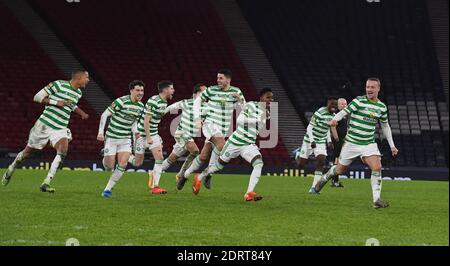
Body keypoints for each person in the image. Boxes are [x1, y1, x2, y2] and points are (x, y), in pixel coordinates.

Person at [315, 78, 399, 209]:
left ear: (378, 89)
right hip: (351, 143)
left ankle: (376, 200)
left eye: (372, 87)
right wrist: (334, 120)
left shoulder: (381, 107)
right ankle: (325, 177)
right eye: (367, 87)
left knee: (377, 167)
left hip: (368, 144)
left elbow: (385, 126)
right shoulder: (358, 101)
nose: (369, 89)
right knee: (340, 170)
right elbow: (344, 112)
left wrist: (392, 145)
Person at [1, 70, 90, 192]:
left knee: (63, 150)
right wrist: (55, 102)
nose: (88, 80)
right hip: (44, 125)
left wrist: (82, 113)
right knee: (27, 153)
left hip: (60, 128)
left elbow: (71, 104)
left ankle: (46, 182)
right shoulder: (58, 84)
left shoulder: (78, 93)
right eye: (86, 77)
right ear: (78, 78)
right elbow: (37, 97)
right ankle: (12, 167)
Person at [192, 88, 273, 201]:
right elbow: (240, 120)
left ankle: (249, 193)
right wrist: (254, 119)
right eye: (268, 97)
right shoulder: (251, 106)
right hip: (235, 142)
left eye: (272, 98)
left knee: (258, 163)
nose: (270, 100)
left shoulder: (268, 113)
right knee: (218, 166)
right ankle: (199, 177)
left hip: (248, 144)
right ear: (261, 98)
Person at [176, 69, 246, 190]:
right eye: (217, 78)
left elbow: (245, 108)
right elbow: (198, 101)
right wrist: (198, 118)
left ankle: (185, 175)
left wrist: (241, 100)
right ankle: (207, 174)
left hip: (223, 129)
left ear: (228, 80)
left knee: (203, 156)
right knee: (222, 145)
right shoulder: (212, 90)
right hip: (210, 124)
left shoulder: (236, 91)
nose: (218, 80)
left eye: (221, 78)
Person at [97, 80, 145, 198]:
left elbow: (133, 121)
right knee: (109, 166)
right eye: (137, 90)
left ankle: (107, 190)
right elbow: (104, 114)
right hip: (112, 138)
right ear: (131, 91)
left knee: (122, 164)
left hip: (125, 139)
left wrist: (135, 131)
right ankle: (105, 155)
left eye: (142, 90)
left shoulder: (140, 106)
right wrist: (100, 133)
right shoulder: (121, 101)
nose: (140, 93)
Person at [128, 80, 175, 194]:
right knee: (137, 163)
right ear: (165, 90)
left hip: (153, 134)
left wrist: (156, 137)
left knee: (159, 158)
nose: (173, 91)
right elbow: (146, 120)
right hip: (141, 135)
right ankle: (124, 155)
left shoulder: (164, 102)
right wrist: (148, 137)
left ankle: (155, 187)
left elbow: (156, 120)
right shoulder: (154, 101)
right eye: (171, 88)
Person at [159, 84, 207, 189]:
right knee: (195, 151)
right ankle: (181, 175)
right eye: (204, 92)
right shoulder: (187, 103)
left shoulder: (206, 107)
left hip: (189, 136)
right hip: (181, 133)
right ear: (196, 94)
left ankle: (155, 172)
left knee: (172, 158)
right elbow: (172, 107)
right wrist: (160, 114)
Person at [295, 98, 337, 194]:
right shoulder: (320, 112)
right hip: (309, 140)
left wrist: (329, 141)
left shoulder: (333, 116)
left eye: (335, 105)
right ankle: (298, 155)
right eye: (332, 104)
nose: (334, 106)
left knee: (321, 161)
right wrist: (312, 141)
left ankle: (314, 188)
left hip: (321, 142)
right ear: (328, 104)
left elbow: (327, 128)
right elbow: (309, 127)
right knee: (301, 164)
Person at [329, 98, 348, 188]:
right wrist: (336, 139)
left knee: (338, 160)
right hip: (338, 140)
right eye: (342, 104)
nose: (344, 106)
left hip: (343, 140)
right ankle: (334, 181)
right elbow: (332, 126)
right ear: (338, 105)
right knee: (337, 160)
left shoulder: (345, 115)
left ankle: (334, 180)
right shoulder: (337, 115)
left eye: (345, 104)